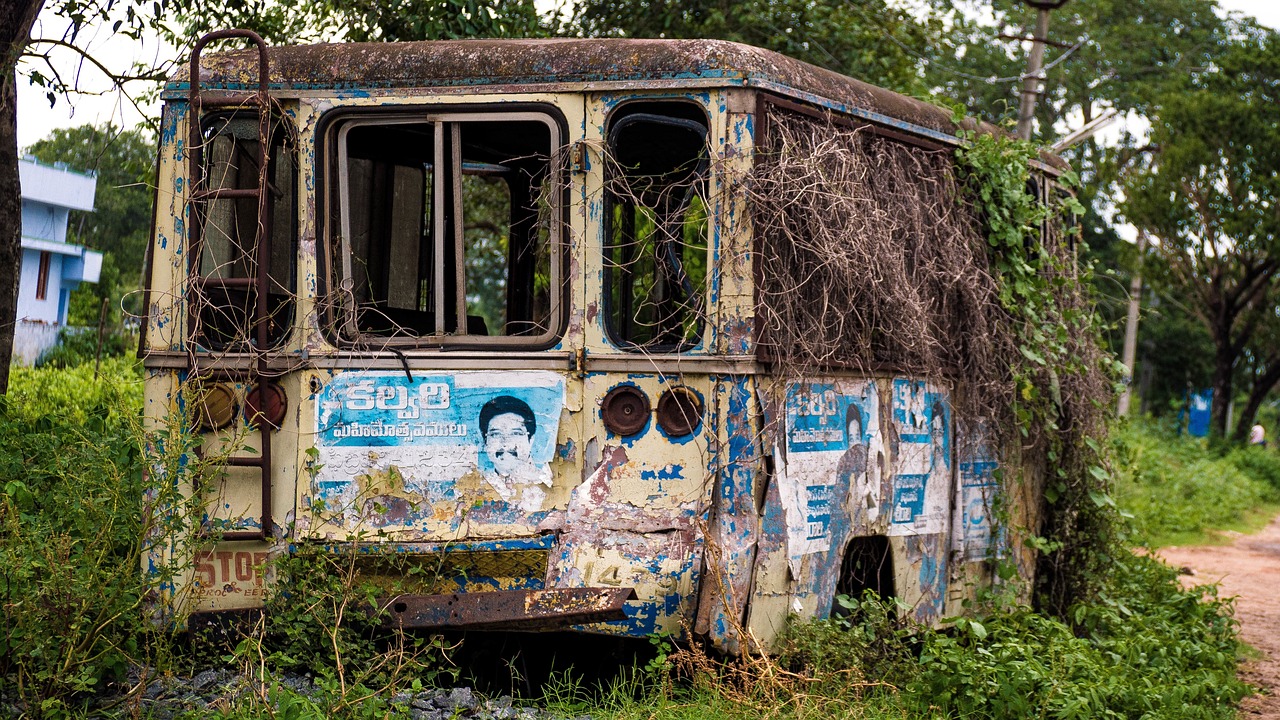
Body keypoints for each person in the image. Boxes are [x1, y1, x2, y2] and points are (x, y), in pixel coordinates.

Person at [474, 395, 552, 510]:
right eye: (496, 434)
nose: (505, 443)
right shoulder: (475, 488)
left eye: (515, 433)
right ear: (485, 442)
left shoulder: (547, 482)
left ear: (530, 440)